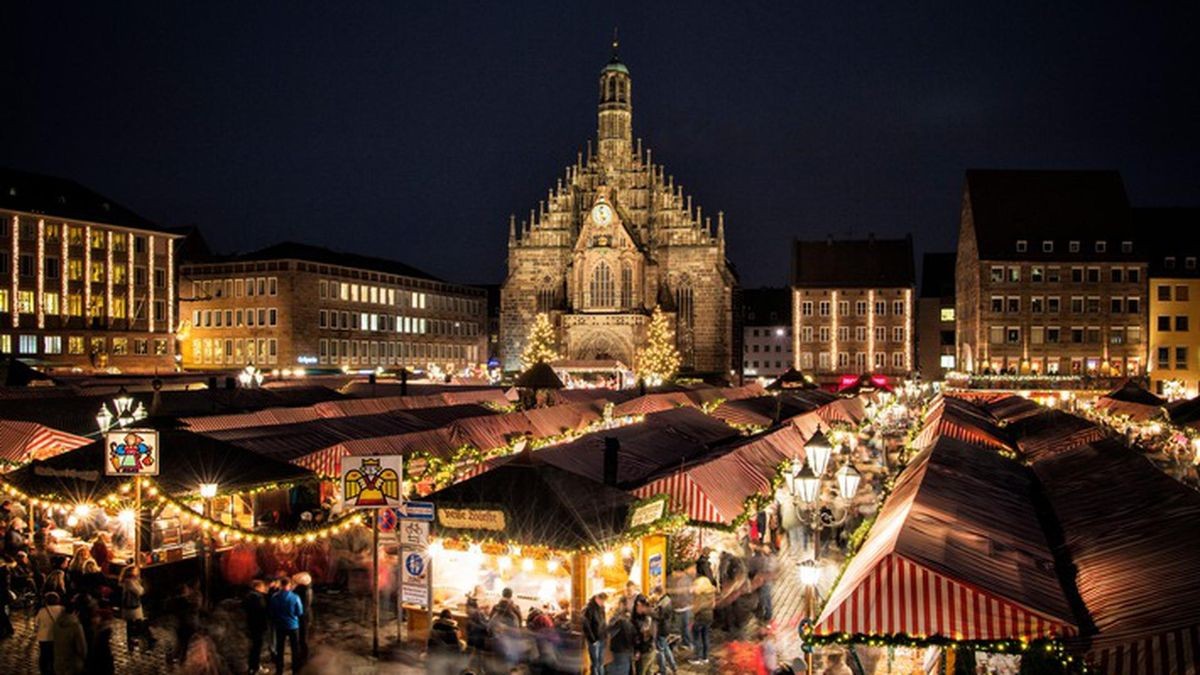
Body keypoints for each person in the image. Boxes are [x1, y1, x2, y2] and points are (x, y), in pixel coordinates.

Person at [268, 575, 305, 674]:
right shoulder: (295, 597)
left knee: (280, 649)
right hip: (293, 626)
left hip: (280, 626)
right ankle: (295, 670)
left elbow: (271, 612)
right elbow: (299, 612)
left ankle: (279, 670)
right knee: (295, 649)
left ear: (281, 585)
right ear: (289, 585)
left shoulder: (274, 597)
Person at [118, 566, 156, 653]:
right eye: (136, 571)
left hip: (129, 607)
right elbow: (140, 591)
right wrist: (140, 583)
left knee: (130, 626)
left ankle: (131, 645)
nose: (138, 572)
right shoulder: (130, 582)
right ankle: (149, 641)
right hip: (133, 607)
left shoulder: (128, 581)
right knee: (139, 625)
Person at [489, 587, 523, 669]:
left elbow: (490, 623)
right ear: (511, 596)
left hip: (497, 639)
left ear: (502, 594)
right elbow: (520, 622)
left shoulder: (496, 607)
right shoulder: (516, 608)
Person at [52, 600, 88, 675]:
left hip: (59, 661)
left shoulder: (57, 623)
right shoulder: (75, 625)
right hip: (72, 662)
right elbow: (81, 647)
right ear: (75, 612)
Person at [690, 564, 716, 665]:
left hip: (700, 616)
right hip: (709, 616)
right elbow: (713, 604)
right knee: (705, 636)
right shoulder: (710, 591)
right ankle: (705, 657)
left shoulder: (699, 594)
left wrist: (692, 613)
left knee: (696, 637)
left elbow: (696, 606)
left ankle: (697, 658)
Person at [243, 579, 270, 674]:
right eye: (262, 586)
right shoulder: (258, 597)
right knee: (257, 647)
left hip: (251, 624)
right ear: (257, 587)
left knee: (254, 647)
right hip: (258, 625)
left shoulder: (248, 596)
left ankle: (252, 667)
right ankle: (256, 668)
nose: (264, 588)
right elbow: (262, 611)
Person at [427, 608, 464, 675]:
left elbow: (429, 645)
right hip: (449, 658)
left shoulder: (434, 627)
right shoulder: (454, 630)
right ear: (451, 618)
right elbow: (456, 649)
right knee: (463, 644)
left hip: (435, 656)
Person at [606, 595, 636, 675]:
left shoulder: (617, 617)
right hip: (623, 649)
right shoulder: (622, 619)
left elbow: (609, 630)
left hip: (619, 649)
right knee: (622, 669)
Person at [36, 592, 64, 675]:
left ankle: (44, 671)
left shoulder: (42, 611)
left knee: (44, 655)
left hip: (44, 637)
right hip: (57, 636)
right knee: (55, 654)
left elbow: (37, 623)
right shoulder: (62, 609)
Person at [651, 587, 677, 675]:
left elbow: (659, 617)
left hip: (661, 629)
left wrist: (650, 612)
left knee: (660, 650)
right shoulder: (667, 600)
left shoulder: (662, 604)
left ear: (658, 593)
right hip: (666, 628)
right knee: (666, 648)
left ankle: (662, 670)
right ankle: (673, 667)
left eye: (654, 593)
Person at [668, 567, 694, 653]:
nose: (674, 574)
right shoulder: (670, 579)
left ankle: (687, 643)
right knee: (676, 629)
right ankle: (676, 645)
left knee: (686, 627)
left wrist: (676, 591)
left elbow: (690, 592)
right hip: (676, 608)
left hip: (686, 607)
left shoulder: (687, 580)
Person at [583, 591, 608, 675]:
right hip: (594, 639)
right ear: (597, 598)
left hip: (601, 638)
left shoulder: (602, 607)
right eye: (602, 600)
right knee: (595, 663)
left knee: (600, 662)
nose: (603, 603)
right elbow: (586, 625)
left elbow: (603, 622)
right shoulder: (589, 608)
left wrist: (605, 635)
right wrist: (592, 639)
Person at [291, 571, 314, 664]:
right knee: (303, 638)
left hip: (302, 617)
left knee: (302, 638)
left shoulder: (300, 591)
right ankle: (304, 656)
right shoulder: (308, 588)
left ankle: (303, 658)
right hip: (306, 616)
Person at [631, 595, 656, 675]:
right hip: (648, 649)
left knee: (643, 671)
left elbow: (642, 635)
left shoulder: (646, 617)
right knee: (648, 671)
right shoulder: (642, 617)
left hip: (646, 650)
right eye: (643, 606)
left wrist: (637, 650)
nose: (644, 608)